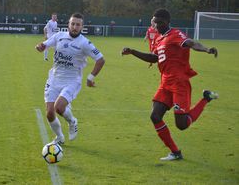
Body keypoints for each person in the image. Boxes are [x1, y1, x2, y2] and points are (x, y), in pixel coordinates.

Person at [121, 8, 219, 161]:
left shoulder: (175, 34)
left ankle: (206, 98)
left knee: (182, 124)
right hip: (165, 82)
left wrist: (206, 49)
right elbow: (154, 58)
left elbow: (191, 43)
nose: (157, 25)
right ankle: (175, 152)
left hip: (179, 83)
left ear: (167, 22)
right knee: (155, 116)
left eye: (159, 22)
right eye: (155, 22)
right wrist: (133, 51)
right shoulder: (159, 39)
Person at [35, 12, 105, 145]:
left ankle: (72, 121)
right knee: (49, 113)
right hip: (54, 79)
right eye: (72, 24)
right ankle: (60, 137)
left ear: (82, 27)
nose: (74, 26)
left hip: (72, 81)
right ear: (68, 24)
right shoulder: (59, 36)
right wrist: (40, 47)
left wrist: (90, 78)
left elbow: (100, 59)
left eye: (78, 25)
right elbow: (44, 44)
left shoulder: (84, 43)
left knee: (59, 107)